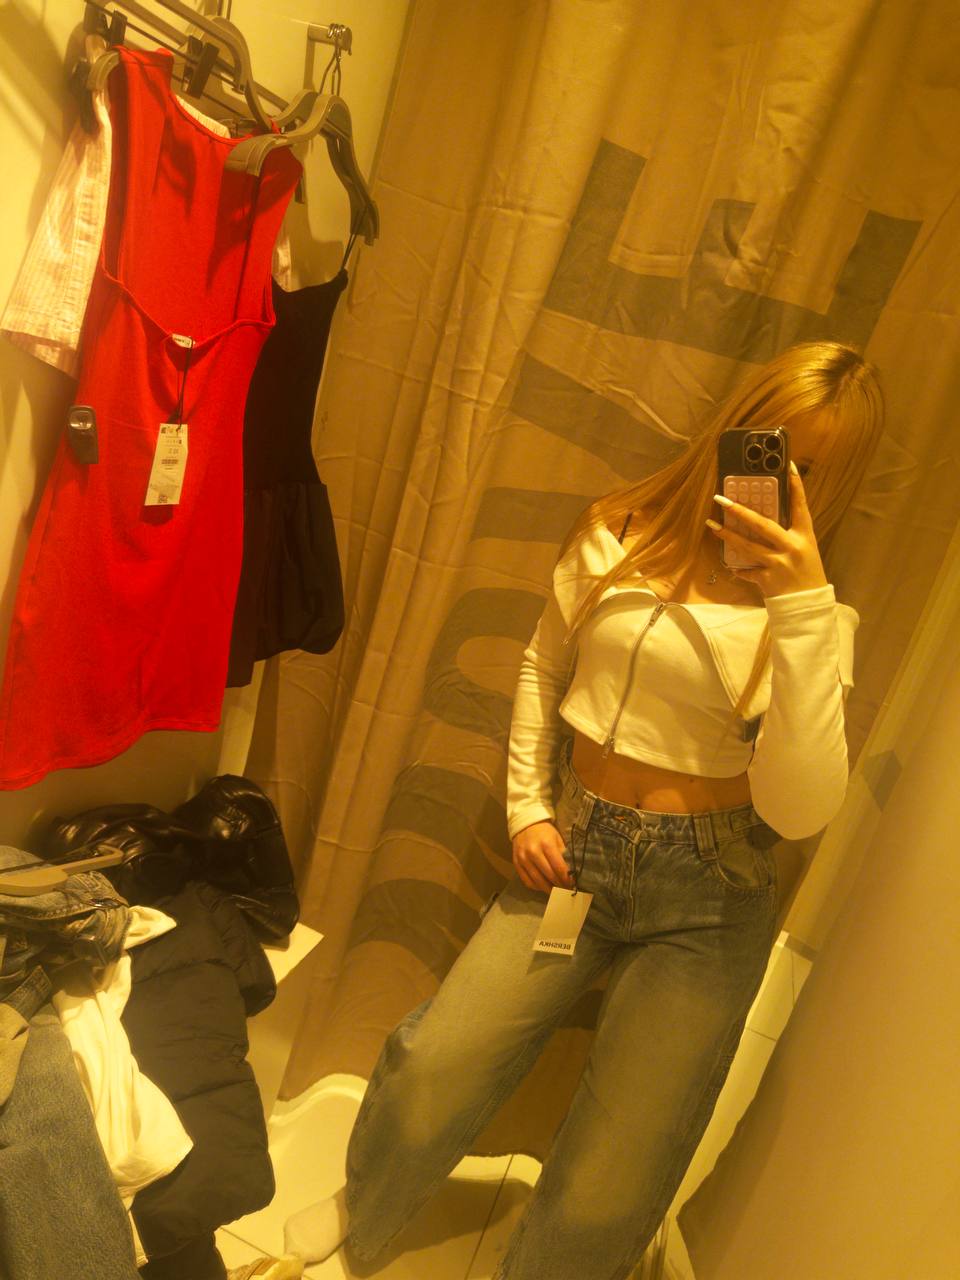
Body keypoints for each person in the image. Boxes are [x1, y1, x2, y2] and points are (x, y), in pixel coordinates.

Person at [283, 341, 884, 1278]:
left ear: (836, 485)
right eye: (770, 447)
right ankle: (369, 1204)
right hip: (577, 851)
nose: (779, 482)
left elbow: (800, 811)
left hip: (710, 895)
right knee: (436, 1060)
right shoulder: (616, 533)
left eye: (808, 469)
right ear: (734, 432)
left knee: (620, 1159)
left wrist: (800, 606)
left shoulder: (816, 622)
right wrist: (528, 808)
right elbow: (543, 667)